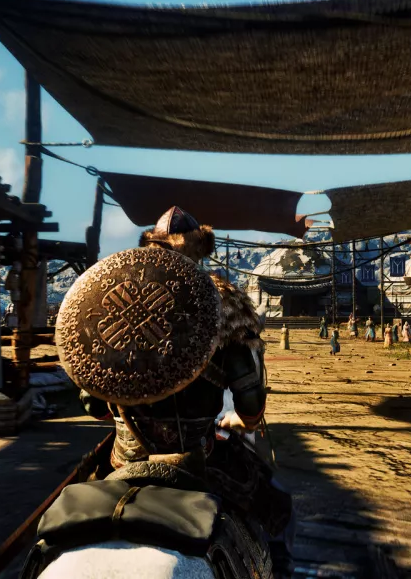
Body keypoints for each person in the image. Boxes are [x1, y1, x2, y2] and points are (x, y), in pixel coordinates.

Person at [83, 206, 292, 572]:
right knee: (275, 510)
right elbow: (250, 407)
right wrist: (242, 417)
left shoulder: (115, 296)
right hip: (198, 459)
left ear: (151, 245)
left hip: (123, 456)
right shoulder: (225, 303)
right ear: (200, 249)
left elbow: (93, 404)